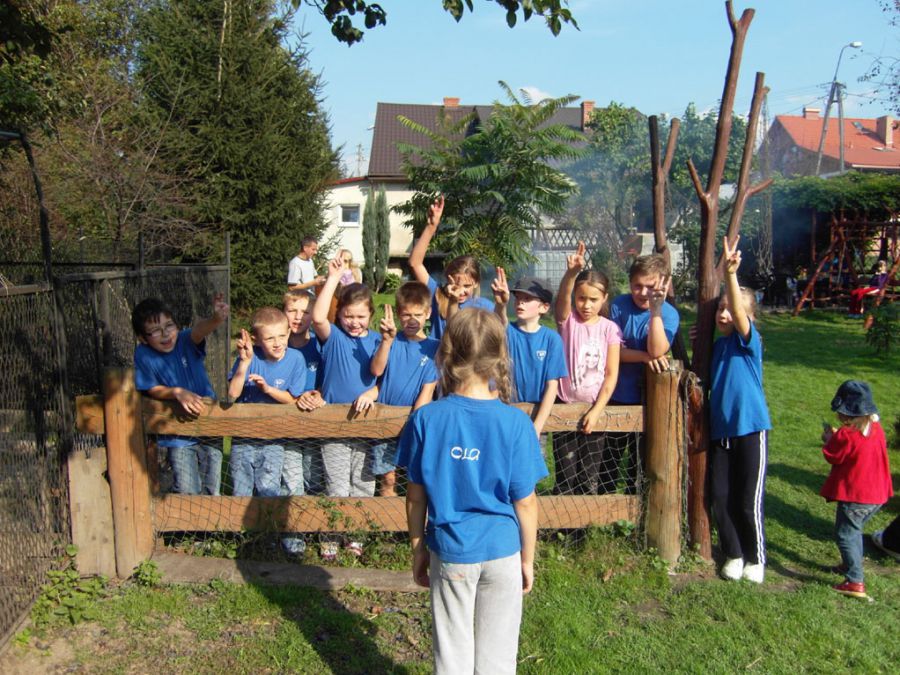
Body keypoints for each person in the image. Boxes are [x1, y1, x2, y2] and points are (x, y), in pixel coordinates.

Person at [395, 309, 547, 675]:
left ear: (446, 353)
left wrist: (418, 548)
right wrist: (527, 560)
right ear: (499, 357)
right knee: (499, 659)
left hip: (451, 552)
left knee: (452, 655)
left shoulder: (425, 419)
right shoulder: (517, 422)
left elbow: (415, 497)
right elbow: (526, 502)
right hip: (503, 552)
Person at [709, 235, 773, 584]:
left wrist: (730, 275)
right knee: (720, 497)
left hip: (750, 429)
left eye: (730, 309)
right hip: (721, 433)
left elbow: (738, 312)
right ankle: (733, 553)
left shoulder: (749, 343)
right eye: (719, 308)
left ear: (748, 318)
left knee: (747, 500)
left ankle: (755, 557)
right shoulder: (716, 347)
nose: (724, 313)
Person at [312, 253, 382, 560]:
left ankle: (356, 537)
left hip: (367, 425)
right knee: (336, 485)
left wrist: (373, 392)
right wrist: (332, 278)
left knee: (363, 484)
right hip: (334, 425)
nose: (354, 322)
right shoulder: (334, 338)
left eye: (361, 317)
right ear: (339, 315)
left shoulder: (379, 340)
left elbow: (385, 380)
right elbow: (317, 318)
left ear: (371, 315)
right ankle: (331, 537)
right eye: (348, 316)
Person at [132, 294, 228, 495]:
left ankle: (210, 516)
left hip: (209, 423)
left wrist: (216, 319)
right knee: (187, 487)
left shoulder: (185, 340)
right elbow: (150, 387)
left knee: (212, 486)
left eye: (169, 326)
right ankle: (186, 515)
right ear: (142, 338)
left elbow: (199, 330)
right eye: (155, 331)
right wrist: (176, 392)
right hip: (178, 432)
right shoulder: (143, 354)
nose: (165, 334)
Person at [553, 242, 623, 494]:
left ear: (604, 298)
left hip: (596, 409)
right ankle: (562, 518)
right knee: (565, 474)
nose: (586, 305)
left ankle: (585, 520)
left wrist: (596, 411)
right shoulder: (568, 321)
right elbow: (561, 303)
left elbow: (611, 374)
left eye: (593, 300)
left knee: (589, 476)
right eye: (581, 298)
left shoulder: (609, 329)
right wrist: (571, 274)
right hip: (565, 406)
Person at [609, 252, 679, 493]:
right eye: (637, 286)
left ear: (664, 284)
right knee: (608, 461)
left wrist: (655, 311)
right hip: (616, 395)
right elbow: (612, 352)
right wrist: (645, 357)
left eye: (650, 287)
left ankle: (636, 512)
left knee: (639, 466)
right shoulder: (618, 306)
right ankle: (602, 509)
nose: (642, 292)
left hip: (649, 401)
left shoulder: (668, 314)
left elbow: (657, 348)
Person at [227, 308, 308, 512]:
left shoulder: (296, 359)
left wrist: (268, 389)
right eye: (270, 338)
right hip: (244, 436)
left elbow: (292, 399)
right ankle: (240, 528)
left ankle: (267, 527)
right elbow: (233, 393)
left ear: (288, 333)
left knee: (268, 488)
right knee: (241, 487)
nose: (277, 343)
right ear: (256, 340)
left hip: (274, 436)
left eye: (281, 336)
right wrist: (244, 362)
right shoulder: (250, 358)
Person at [820, 379, 893, 599]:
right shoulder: (876, 428)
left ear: (846, 414)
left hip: (856, 496)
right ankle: (849, 563)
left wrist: (829, 439)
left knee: (845, 534)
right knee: (854, 531)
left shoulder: (846, 435)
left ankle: (854, 581)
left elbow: (833, 455)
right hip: (878, 495)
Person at [369, 282, 439, 496]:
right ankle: (386, 515)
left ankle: (413, 516)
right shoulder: (390, 341)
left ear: (428, 313)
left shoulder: (434, 348)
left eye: (418, 314)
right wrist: (386, 341)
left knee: (414, 478)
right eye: (406, 314)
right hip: (385, 419)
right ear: (398, 314)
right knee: (388, 478)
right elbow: (377, 370)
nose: (412, 320)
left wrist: (415, 424)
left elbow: (427, 391)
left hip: (414, 420)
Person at [491, 269, 568, 439]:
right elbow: (498, 324)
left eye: (527, 299)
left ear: (544, 307)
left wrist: (537, 427)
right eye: (518, 298)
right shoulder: (507, 332)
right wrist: (501, 304)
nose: (520, 302)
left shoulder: (551, 339)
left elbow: (552, 386)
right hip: (506, 414)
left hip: (536, 416)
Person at [408, 195, 493, 341]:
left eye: (467, 286)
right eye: (456, 285)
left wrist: (502, 304)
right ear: (448, 279)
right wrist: (431, 227)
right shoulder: (437, 294)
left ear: (476, 283)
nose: (460, 291)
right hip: (438, 355)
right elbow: (415, 263)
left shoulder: (485, 307)